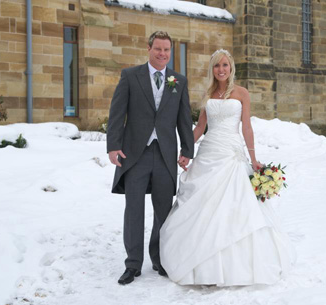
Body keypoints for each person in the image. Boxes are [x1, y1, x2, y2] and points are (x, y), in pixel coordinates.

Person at [160, 49, 296, 286]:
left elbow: (247, 128)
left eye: (224, 65)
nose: (221, 69)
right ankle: (198, 258)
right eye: (216, 66)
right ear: (212, 69)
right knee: (203, 203)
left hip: (231, 153)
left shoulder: (242, 93)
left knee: (234, 205)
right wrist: (187, 152)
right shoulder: (209, 93)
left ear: (231, 67)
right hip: (209, 153)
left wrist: (253, 160)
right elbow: (201, 127)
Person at [107, 31, 194, 285]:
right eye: (158, 49)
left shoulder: (178, 81)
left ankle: (159, 259)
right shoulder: (130, 76)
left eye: (167, 50)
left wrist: (187, 149)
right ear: (149, 48)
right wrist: (113, 146)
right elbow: (117, 113)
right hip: (135, 153)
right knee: (134, 209)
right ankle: (133, 264)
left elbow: (183, 118)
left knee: (163, 211)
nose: (163, 54)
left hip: (165, 154)